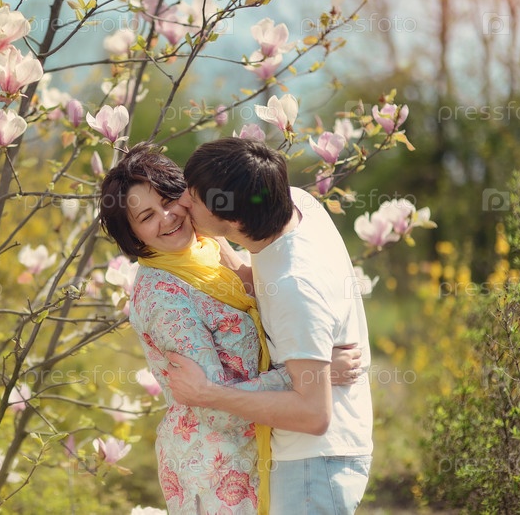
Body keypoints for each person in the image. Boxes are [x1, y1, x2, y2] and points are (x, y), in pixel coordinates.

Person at [98, 142, 361, 515]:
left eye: (169, 200)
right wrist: (310, 377)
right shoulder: (163, 298)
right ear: (133, 235)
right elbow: (212, 405)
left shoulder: (204, 248)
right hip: (214, 469)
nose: (168, 217)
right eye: (147, 216)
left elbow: (261, 289)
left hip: (257, 453)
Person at [166, 137, 373, 515]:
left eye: (193, 198)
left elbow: (313, 414)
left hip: (313, 465)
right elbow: (262, 282)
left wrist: (207, 393)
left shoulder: (297, 287)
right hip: (315, 455)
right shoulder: (294, 204)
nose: (182, 203)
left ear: (233, 220)